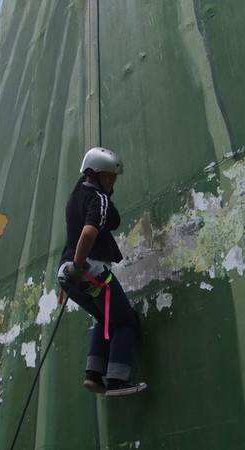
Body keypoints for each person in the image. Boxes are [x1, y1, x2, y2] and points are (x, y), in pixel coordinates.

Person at [58, 147, 147, 397]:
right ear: (94, 174)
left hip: (67, 275)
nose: (113, 181)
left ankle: (93, 375)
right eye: (109, 176)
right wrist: (79, 265)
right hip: (90, 270)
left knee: (104, 319)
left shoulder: (74, 198)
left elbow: (73, 237)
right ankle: (118, 381)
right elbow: (87, 233)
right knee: (125, 321)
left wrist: (70, 274)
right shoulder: (98, 199)